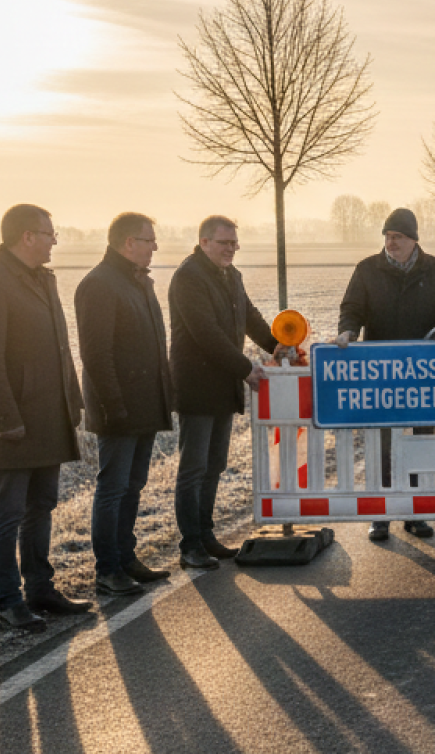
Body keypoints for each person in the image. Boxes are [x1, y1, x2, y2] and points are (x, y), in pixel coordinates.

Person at [0, 204, 92, 632]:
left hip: (49, 416)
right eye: (49, 233)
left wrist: (72, 400)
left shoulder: (43, 279)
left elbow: (60, 348)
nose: (55, 239)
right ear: (26, 237)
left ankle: (40, 588)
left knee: (42, 506)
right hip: (15, 422)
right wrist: (6, 418)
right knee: (9, 511)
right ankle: (8, 600)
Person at [332, 207, 435, 542]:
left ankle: (416, 513)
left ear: (413, 239)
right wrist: (347, 331)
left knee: (421, 441)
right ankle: (382, 514)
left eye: (398, 237)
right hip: (380, 374)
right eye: (388, 237)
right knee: (382, 444)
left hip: (423, 373)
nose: (391, 243)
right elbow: (351, 309)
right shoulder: (367, 270)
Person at [169, 216, 289, 569]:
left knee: (214, 465)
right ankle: (190, 545)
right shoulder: (188, 277)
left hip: (222, 385)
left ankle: (205, 535)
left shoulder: (230, 275)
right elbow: (205, 332)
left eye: (234, 243)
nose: (231, 249)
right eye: (224, 243)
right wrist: (245, 368)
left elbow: (248, 315)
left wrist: (275, 344)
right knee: (193, 468)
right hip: (197, 385)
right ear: (204, 242)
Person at [75, 213, 174, 597]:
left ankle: (127, 558)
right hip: (118, 409)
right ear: (127, 243)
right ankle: (108, 569)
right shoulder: (99, 285)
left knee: (133, 485)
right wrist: (114, 406)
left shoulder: (139, 282)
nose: (155, 247)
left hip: (145, 405)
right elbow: (96, 355)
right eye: (149, 240)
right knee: (113, 488)